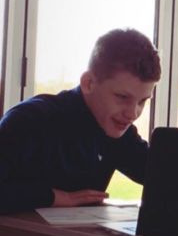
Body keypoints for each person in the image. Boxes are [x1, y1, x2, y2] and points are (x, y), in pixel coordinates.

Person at [0, 28, 161, 214]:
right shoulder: (30, 120)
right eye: (122, 97)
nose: (133, 113)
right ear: (88, 83)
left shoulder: (118, 131)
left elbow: (161, 176)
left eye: (142, 101)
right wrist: (53, 197)